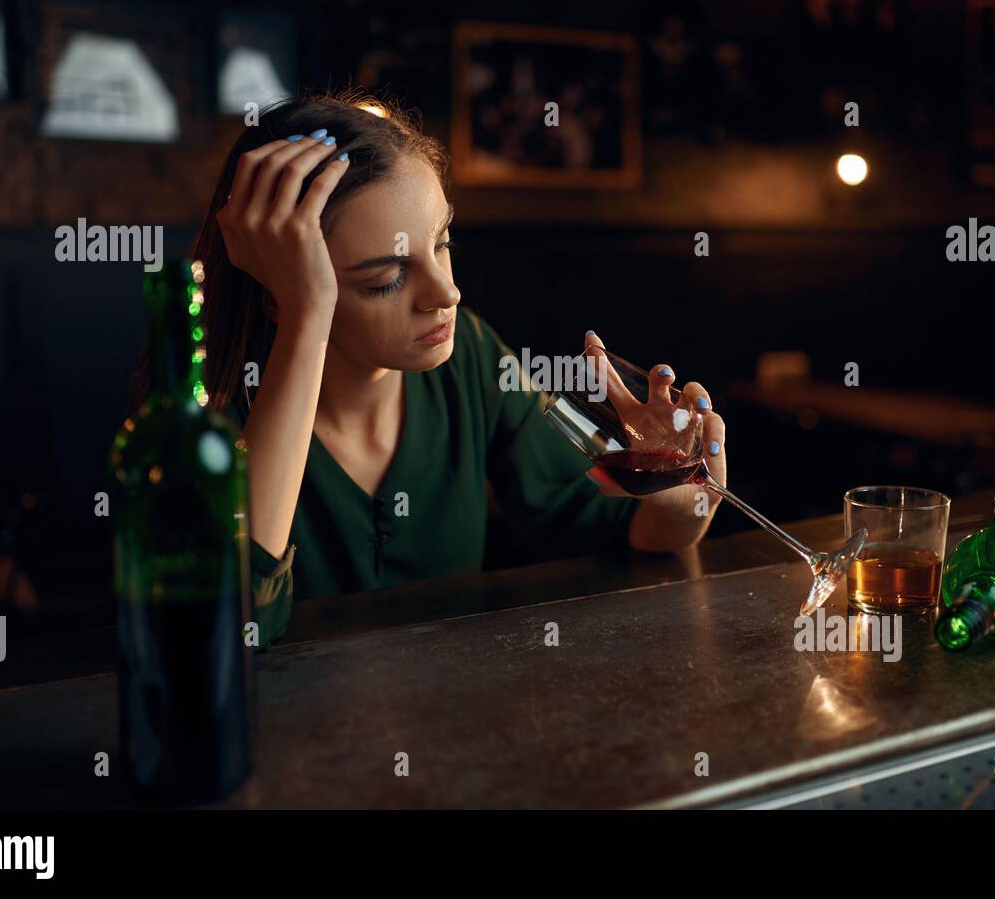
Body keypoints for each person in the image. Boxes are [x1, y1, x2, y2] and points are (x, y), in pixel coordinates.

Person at [134, 91, 728, 648]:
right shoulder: (197, 411)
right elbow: (233, 624)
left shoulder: (467, 353)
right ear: (278, 293)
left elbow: (616, 530)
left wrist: (679, 500)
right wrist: (306, 314)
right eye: (384, 279)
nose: (445, 292)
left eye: (441, 241)